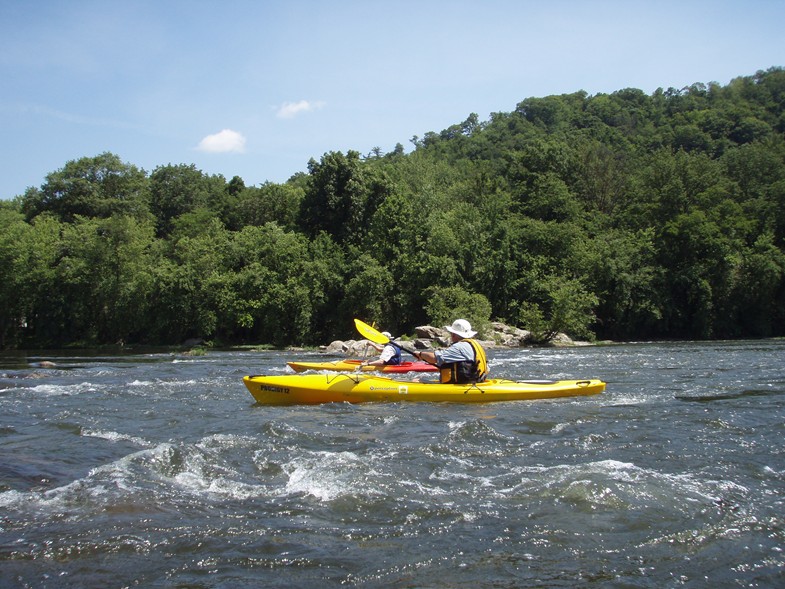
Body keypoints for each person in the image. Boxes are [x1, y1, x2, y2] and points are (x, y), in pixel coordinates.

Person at [414, 319, 488, 384]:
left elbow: (434, 358)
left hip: (464, 385)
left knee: (417, 381)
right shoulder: (475, 344)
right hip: (478, 381)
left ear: (454, 335)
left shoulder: (459, 347)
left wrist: (420, 354)